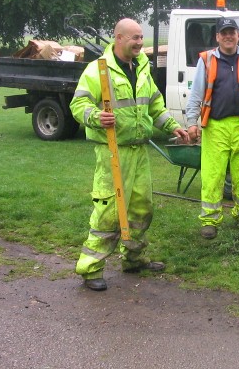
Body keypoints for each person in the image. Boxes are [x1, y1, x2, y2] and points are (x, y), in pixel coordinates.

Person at [71, 18, 189, 291]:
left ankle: (133, 259)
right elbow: (78, 103)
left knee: (140, 208)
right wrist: (95, 117)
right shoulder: (98, 70)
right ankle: (90, 269)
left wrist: (173, 127)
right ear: (118, 38)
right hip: (113, 152)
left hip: (139, 152)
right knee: (109, 213)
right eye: (134, 38)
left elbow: (155, 106)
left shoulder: (143, 68)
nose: (139, 42)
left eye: (140, 37)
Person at [185, 17, 239, 239]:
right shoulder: (206, 60)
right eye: (223, 33)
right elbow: (196, 93)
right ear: (217, 37)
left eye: (232, 32)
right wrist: (191, 123)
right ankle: (209, 220)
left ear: (238, 35)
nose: (228, 36)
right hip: (215, 126)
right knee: (213, 176)